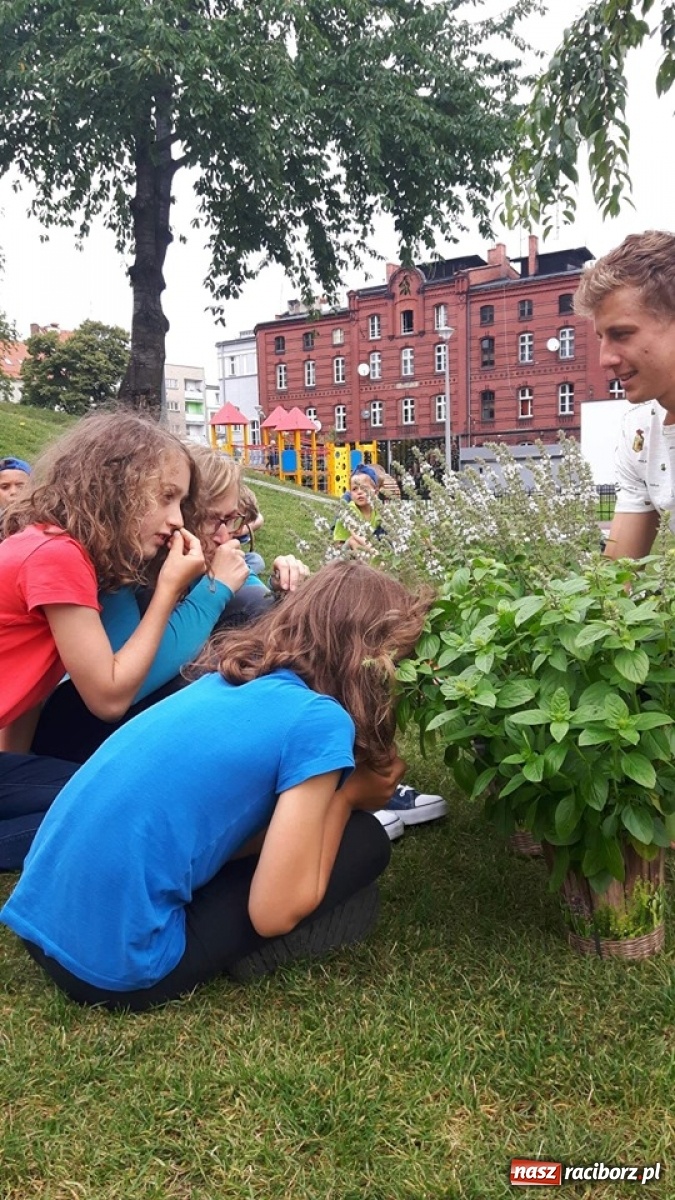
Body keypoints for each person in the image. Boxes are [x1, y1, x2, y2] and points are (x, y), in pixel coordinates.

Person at [1, 561, 430, 1010]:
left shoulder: (229, 678)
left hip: (39, 919)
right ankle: (269, 953)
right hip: (111, 968)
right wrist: (347, 799)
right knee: (364, 840)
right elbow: (273, 913)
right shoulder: (320, 721)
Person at [0, 412, 208, 867]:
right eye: (166, 496)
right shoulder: (58, 556)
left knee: (95, 792)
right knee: (111, 802)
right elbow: (109, 698)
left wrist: (18, 771)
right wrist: (168, 590)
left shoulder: (44, 542)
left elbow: (28, 694)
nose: (177, 520)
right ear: (117, 484)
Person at [30, 444, 309, 767]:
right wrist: (213, 591)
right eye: (212, 519)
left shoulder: (210, 556)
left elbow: (254, 603)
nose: (224, 537)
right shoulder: (122, 567)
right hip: (76, 735)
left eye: (231, 520)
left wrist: (284, 590)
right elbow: (128, 688)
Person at [332, 472, 448, 837]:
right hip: (358, 591)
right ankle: (354, 793)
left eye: (365, 487)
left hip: (383, 586)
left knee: (378, 680)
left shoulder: (385, 512)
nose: (358, 492)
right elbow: (344, 546)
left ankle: (367, 785)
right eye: (353, 487)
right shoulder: (348, 514)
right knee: (359, 677)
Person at [574, 230, 675, 559]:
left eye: (621, 334)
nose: (605, 359)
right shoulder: (641, 434)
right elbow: (618, 577)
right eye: (602, 338)